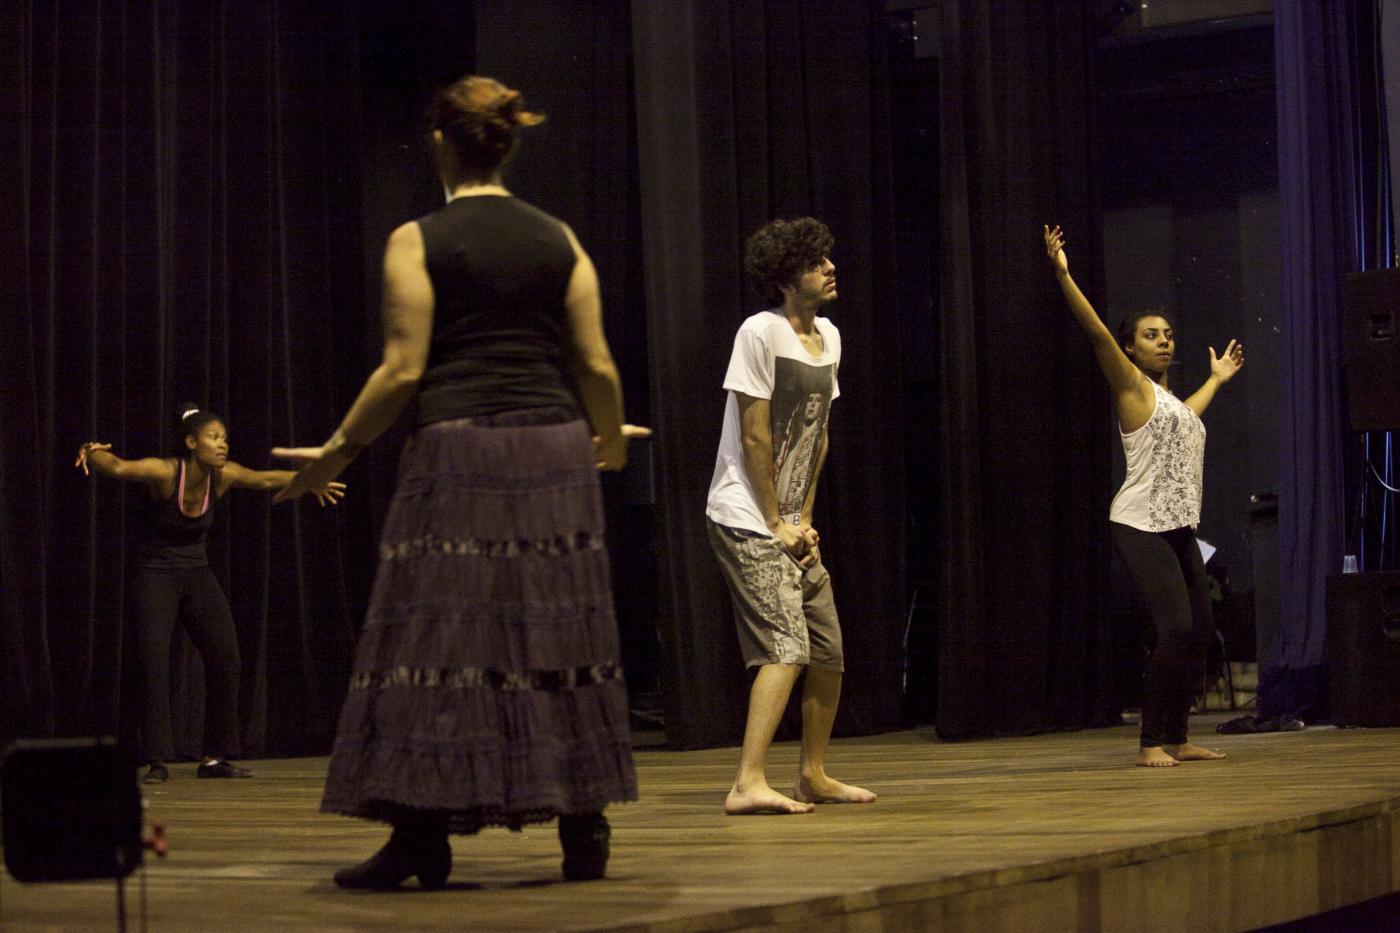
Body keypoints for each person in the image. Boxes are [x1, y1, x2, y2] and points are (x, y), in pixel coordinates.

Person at [273, 75, 647, 889]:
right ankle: (585, 829)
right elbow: (595, 362)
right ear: (507, 141)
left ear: (440, 142)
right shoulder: (561, 238)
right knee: (560, 631)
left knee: (435, 641)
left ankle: (420, 838)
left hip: (461, 450)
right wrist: (609, 440)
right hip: (553, 450)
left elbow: (404, 369)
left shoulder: (418, 238)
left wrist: (336, 452)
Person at [1043, 224, 1242, 767]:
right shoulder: (1130, 386)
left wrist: (1218, 379)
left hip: (1178, 526)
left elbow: (1188, 418)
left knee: (1199, 631)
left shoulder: (1170, 402)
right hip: (1138, 523)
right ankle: (1151, 741)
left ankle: (1177, 736)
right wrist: (1064, 276)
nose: (1165, 341)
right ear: (1132, 345)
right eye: (1152, 334)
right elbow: (1097, 334)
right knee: (1175, 627)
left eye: (1169, 334)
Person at [74, 403, 346, 784]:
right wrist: (92, 450)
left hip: (196, 572)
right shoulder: (166, 472)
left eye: (225, 439)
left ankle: (214, 757)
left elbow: (266, 479)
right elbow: (119, 467)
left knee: (227, 658)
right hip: (155, 574)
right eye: (213, 438)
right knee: (154, 665)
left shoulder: (224, 475)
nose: (222, 445)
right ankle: (157, 760)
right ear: (191, 442)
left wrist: (311, 478)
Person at [704, 217, 876, 815]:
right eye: (815, 262)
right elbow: (756, 436)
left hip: (788, 519)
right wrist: (776, 521)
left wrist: (801, 518)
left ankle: (812, 774)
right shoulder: (760, 331)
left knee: (826, 648)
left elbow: (818, 436)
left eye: (828, 259)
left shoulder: (828, 336)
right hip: (745, 513)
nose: (830, 268)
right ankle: (747, 781)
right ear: (785, 277)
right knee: (785, 646)